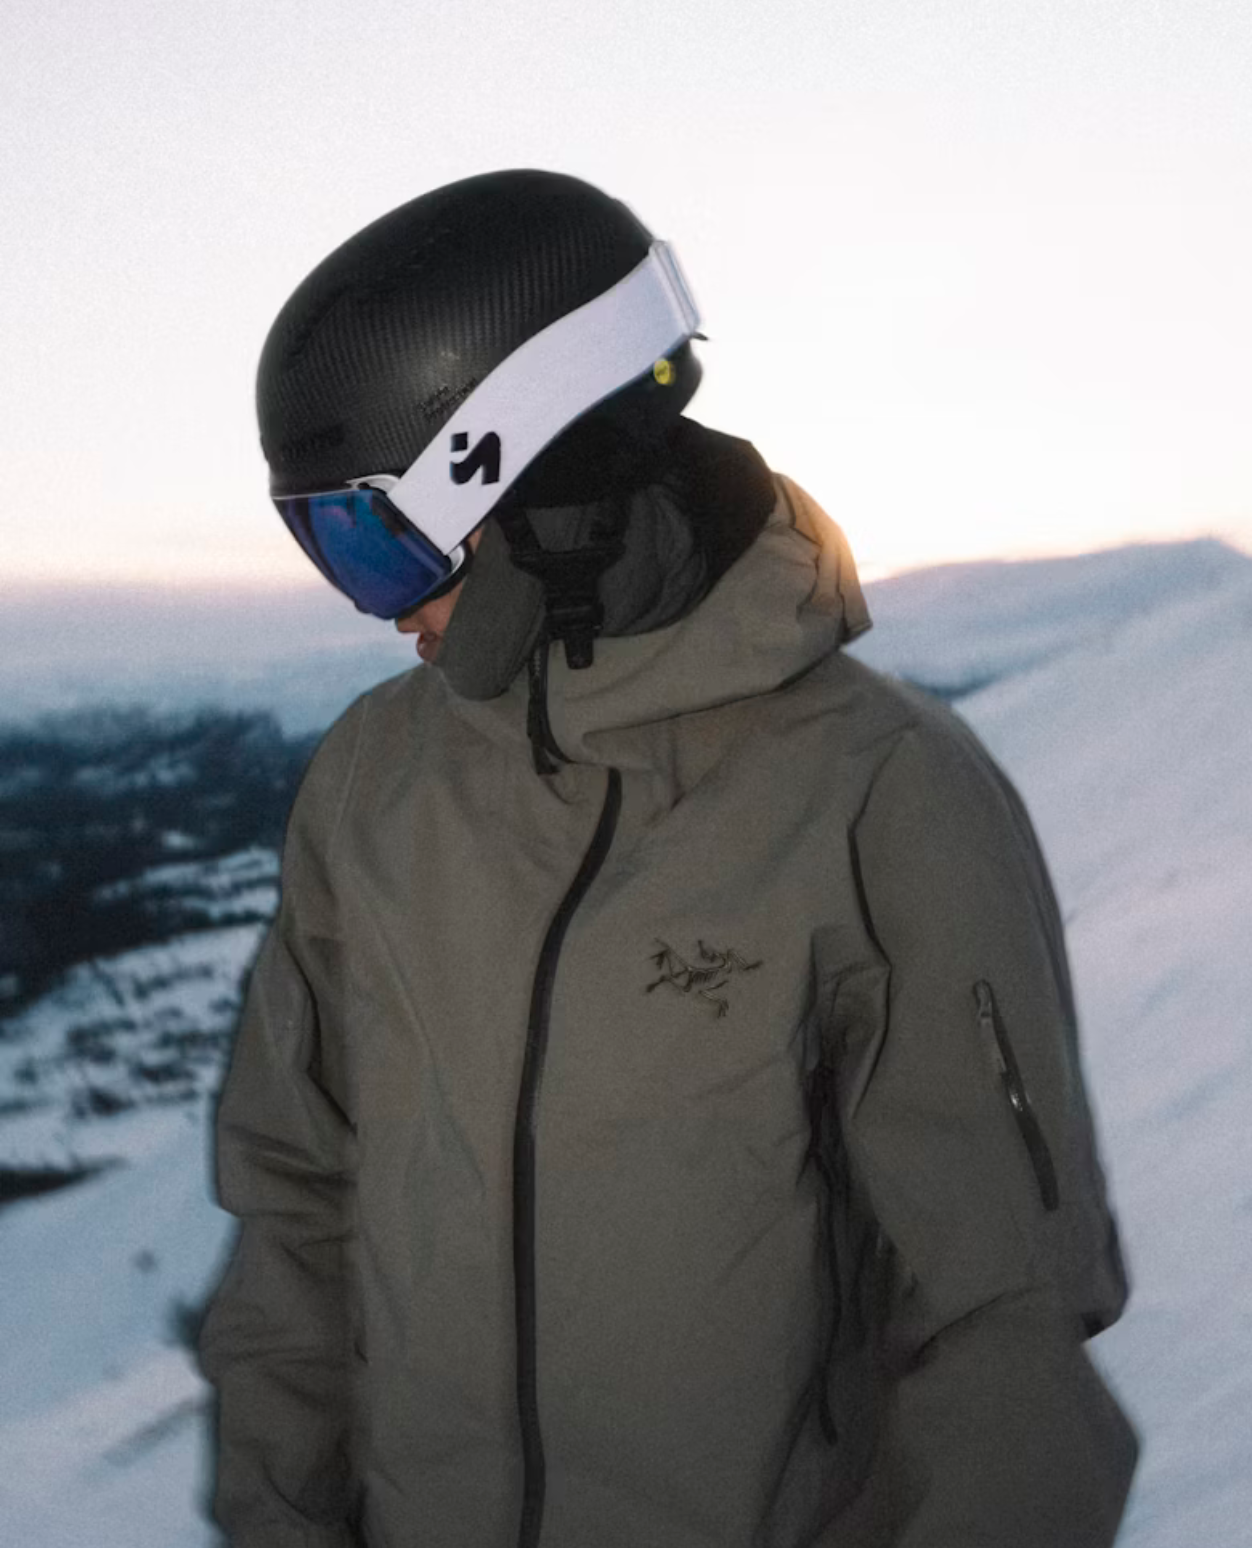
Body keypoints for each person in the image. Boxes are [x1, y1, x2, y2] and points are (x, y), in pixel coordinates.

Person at [198, 169, 1139, 1548]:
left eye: (376, 544)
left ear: (524, 474)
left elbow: (1005, 1332)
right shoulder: (373, 784)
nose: (378, 614)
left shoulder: (881, 793)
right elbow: (297, 1206)